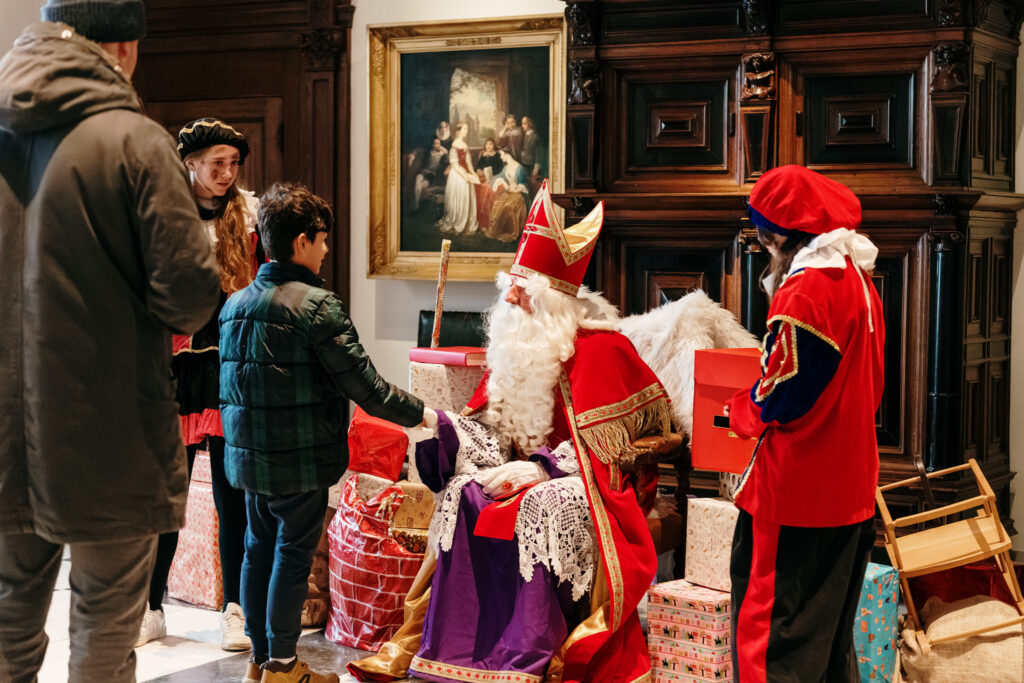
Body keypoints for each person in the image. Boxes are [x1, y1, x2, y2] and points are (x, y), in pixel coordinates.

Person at [350, 181, 674, 683]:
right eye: (511, 283)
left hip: (586, 484)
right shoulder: (515, 350)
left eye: (525, 288)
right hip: (523, 473)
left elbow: (626, 443)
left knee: (540, 505)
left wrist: (543, 470)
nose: (511, 295)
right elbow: (491, 430)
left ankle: (526, 655)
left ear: (555, 302)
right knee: (463, 493)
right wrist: (439, 424)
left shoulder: (603, 352)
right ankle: (454, 651)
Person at [0, 1, 221, 681]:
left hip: (4, 425)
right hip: (110, 430)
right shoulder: (136, 141)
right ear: (124, 48)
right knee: (102, 631)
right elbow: (189, 298)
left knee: (7, 625)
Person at [219, 183, 426, 683]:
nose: (327, 248)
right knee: (290, 557)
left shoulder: (234, 304)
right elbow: (367, 388)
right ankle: (284, 666)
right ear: (302, 242)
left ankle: (259, 663)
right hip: (301, 461)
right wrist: (425, 415)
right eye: (323, 239)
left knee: (256, 550)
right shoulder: (317, 307)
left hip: (248, 459)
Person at [725, 165, 885, 682]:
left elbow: (784, 393)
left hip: (797, 491)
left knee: (772, 644)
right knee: (826, 644)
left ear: (776, 236)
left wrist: (740, 411)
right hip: (850, 487)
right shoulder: (857, 282)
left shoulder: (807, 290)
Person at [136, 118, 261, 651]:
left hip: (230, 368)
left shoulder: (248, 220)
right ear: (189, 164)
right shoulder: (163, 218)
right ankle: (150, 607)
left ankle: (235, 608)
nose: (227, 174)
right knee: (169, 494)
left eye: (233, 165)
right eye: (217, 164)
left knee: (233, 495)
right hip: (176, 370)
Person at [436, 122, 479, 235]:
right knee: (460, 194)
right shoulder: (455, 144)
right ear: (458, 131)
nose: (466, 131)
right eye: (464, 129)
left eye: (467, 129)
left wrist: (473, 173)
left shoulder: (464, 144)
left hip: (465, 172)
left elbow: (468, 162)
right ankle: (458, 221)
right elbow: (454, 164)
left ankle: (466, 223)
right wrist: (464, 176)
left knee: (467, 194)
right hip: (457, 174)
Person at [482, 147, 529, 242]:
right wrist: (498, 181)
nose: (500, 157)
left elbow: (524, 183)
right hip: (508, 193)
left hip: (518, 194)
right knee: (497, 203)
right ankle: (497, 230)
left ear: (507, 154)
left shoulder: (519, 168)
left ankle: (509, 232)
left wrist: (518, 187)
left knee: (508, 206)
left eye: (502, 155)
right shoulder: (506, 168)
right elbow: (498, 176)